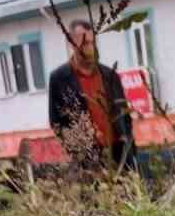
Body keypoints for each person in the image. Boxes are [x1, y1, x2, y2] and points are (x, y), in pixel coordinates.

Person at [48, 21, 136, 173]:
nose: (90, 48)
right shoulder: (59, 78)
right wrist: (78, 151)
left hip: (119, 155)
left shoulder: (109, 75)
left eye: (92, 42)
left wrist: (129, 147)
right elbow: (56, 122)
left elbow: (125, 116)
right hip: (88, 160)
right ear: (71, 43)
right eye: (84, 43)